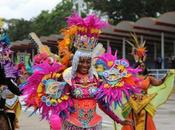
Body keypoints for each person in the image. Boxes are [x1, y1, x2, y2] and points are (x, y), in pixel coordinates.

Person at [121, 34, 174, 130]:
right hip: (132, 103)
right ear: (136, 66)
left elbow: (159, 82)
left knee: (146, 120)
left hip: (145, 103)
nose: (141, 67)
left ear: (145, 67)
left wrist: (167, 76)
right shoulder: (131, 77)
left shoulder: (149, 78)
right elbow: (125, 88)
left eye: (143, 66)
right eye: (139, 65)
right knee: (131, 120)